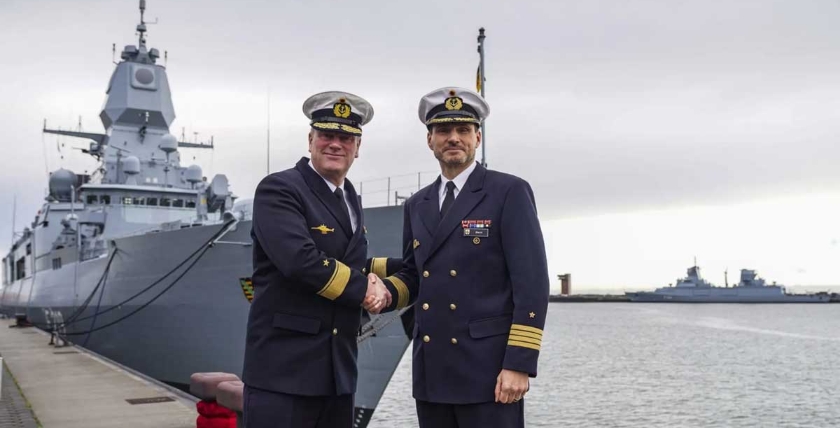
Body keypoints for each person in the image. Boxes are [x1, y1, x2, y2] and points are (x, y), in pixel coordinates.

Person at [372, 87, 550, 428]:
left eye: (463, 130)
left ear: (477, 137)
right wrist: (379, 289)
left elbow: (531, 282)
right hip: (433, 368)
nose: (453, 138)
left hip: (490, 371)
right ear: (430, 140)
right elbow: (415, 274)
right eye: (443, 131)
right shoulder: (417, 204)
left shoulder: (508, 192)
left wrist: (519, 363)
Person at [243, 91, 391, 428]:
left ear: (358, 146)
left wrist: (415, 269)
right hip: (284, 374)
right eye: (326, 135)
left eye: (346, 137)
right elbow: (300, 261)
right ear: (311, 140)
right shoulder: (279, 189)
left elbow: (353, 263)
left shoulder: (350, 196)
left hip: (336, 376)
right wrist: (366, 290)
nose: (335, 144)